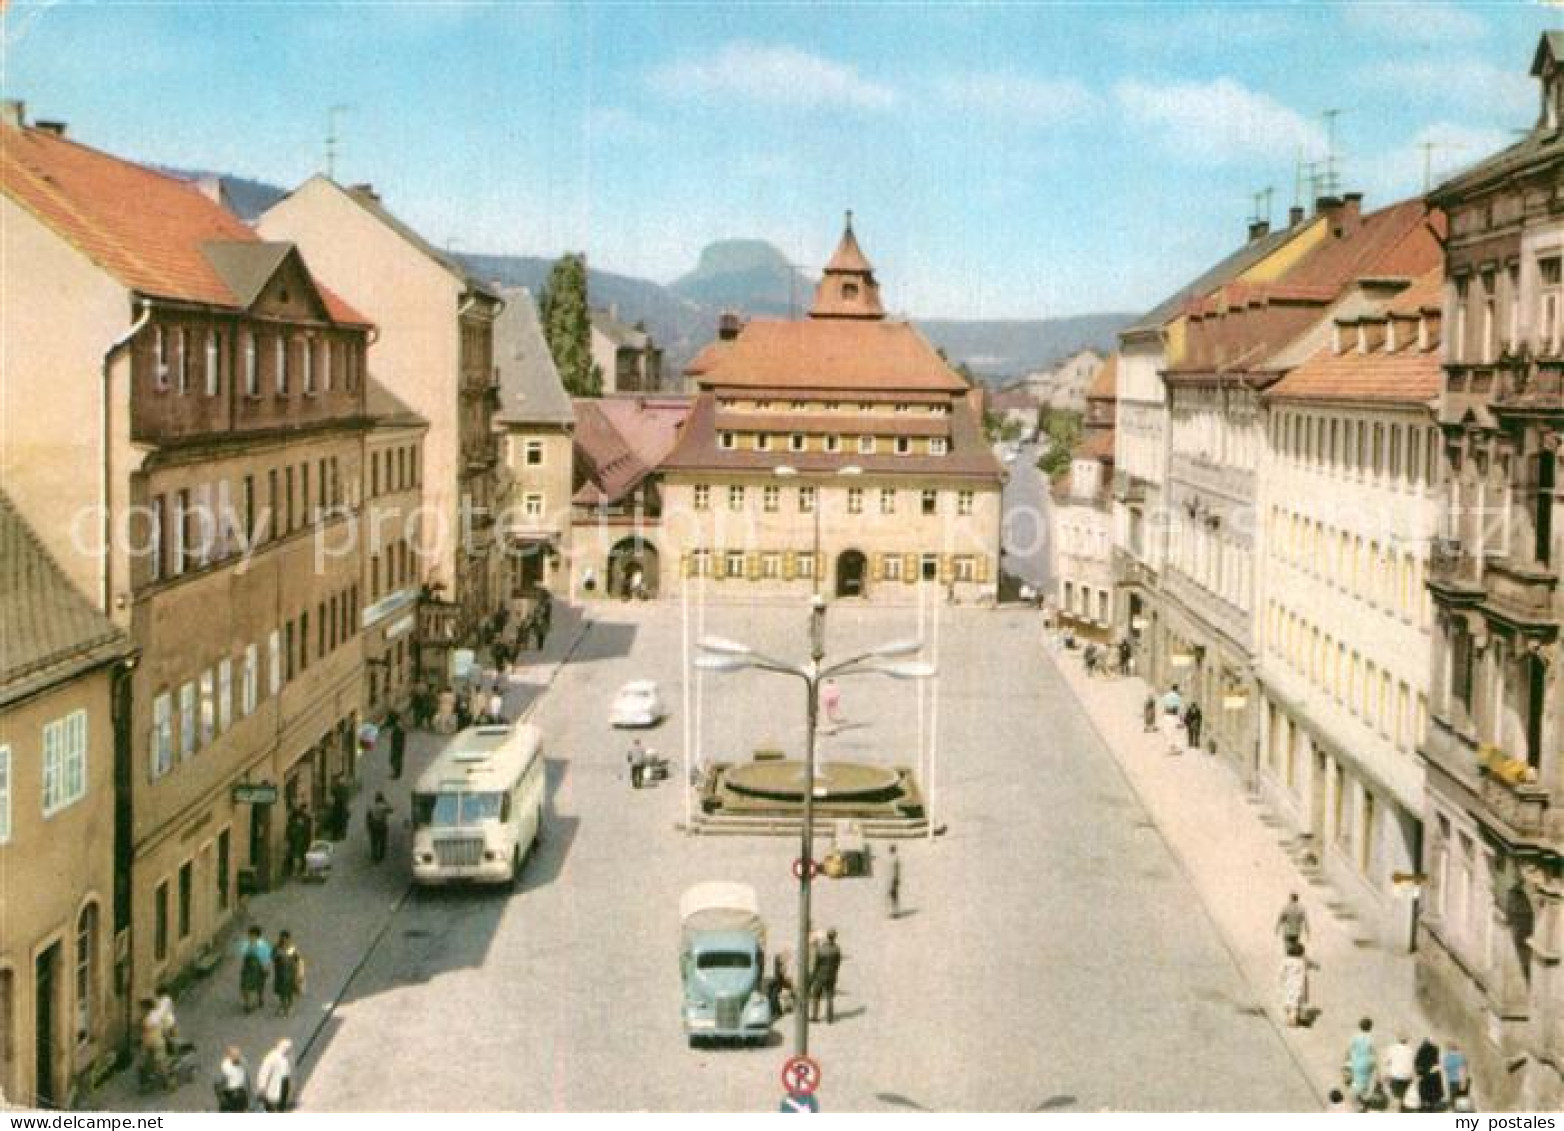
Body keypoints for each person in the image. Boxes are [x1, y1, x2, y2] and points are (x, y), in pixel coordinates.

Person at [809, 929, 842, 1024]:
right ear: (834, 937)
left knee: (816, 996)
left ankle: (815, 1016)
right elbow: (837, 964)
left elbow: (816, 964)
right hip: (831, 976)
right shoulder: (837, 949)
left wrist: (813, 976)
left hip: (820, 976)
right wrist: (834, 973)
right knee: (830, 997)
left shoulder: (821, 949)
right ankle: (829, 1018)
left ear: (827, 936)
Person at [1347, 1017, 1378, 1109]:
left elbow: (1349, 1049)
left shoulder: (1355, 1037)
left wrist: (1347, 1061)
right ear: (1370, 1027)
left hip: (1355, 1063)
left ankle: (1356, 1099)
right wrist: (1377, 1068)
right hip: (1366, 1064)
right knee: (1365, 1083)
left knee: (1356, 1080)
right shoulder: (1371, 1039)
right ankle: (1362, 1100)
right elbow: (1374, 1054)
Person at [1279, 941, 1313, 1026]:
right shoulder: (1302, 962)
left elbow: (1281, 972)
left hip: (1289, 984)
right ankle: (1293, 1019)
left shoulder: (1286, 961)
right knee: (1296, 1003)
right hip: (1299, 985)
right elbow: (1305, 973)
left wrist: (1281, 981)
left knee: (1289, 1001)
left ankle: (1291, 1019)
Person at [239, 926, 272, 1012]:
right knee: (245, 986)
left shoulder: (263, 946)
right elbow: (243, 954)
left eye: (252, 935)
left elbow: (266, 958)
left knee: (259, 985)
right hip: (247, 969)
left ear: (257, 936)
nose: (250, 937)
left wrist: (266, 968)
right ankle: (248, 1004)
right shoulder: (246, 944)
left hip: (259, 969)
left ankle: (260, 998)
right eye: (249, 935)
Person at [272, 931, 305, 1017]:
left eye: (286, 938)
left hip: (290, 973)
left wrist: (300, 972)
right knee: (281, 992)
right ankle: (283, 1006)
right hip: (280, 973)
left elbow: (298, 959)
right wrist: (277, 955)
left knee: (290, 991)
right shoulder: (276, 948)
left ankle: (289, 1006)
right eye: (282, 938)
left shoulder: (292, 948)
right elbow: (272, 957)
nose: (284, 940)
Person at [255, 1039, 293, 1113]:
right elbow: (264, 1072)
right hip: (275, 1086)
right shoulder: (272, 1057)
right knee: (271, 1105)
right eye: (287, 1048)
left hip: (283, 1083)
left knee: (281, 1103)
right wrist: (262, 1087)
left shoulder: (284, 1057)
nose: (288, 1050)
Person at [1383, 1033, 1416, 1108]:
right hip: (1407, 1077)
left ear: (1398, 1039)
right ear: (1407, 1040)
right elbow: (1412, 1065)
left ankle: (1397, 1106)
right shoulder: (1411, 1050)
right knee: (1404, 1096)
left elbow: (1387, 1062)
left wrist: (1386, 1074)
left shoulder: (1392, 1048)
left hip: (1396, 1076)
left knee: (1396, 1096)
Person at [214, 1046, 250, 1113]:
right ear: (230, 1057)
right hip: (230, 1094)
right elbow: (217, 1084)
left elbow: (246, 1076)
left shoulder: (243, 1061)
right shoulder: (225, 1067)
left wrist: (249, 1093)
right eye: (235, 1057)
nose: (238, 1059)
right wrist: (222, 1099)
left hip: (241, 1092)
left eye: (238, 1056)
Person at [1416, 1037, 1446, 1112]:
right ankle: (1432, 1107)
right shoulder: (1435, 1049)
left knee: (1426, 1092)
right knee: (1434, 1092)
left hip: (1425, 1074)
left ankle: (1427, 1107)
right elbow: (1436, 1061)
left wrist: (1419, 1073)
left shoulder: (1421, 1050)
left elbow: (1417, 1063)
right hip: (1434, 1073)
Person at [366, 791, 394, 863]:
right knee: (382, 841)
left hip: (373, 826)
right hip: (381, 825)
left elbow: (368, 817)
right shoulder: (384, 806)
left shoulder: (371, 806)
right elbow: (391, 810)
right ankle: (381, 856)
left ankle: (375, 857)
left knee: (374, 842)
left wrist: (368, 826)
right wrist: (386, 802)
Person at [285, 807, 312, 878]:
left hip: (300, 842)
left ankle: (298, 871)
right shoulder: (296, 822)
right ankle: (298, 871)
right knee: (297, 856)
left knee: (299, 856)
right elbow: (289, 832)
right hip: (298, 842)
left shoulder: (304, 820)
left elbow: (307, 832)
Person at [1160, 684, 1185, 755]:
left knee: (1168, 732)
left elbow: (1163, 704)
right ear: (1176, 689)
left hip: (1166, 715)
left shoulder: (1166, 695)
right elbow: (1180, 708)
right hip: (1174, 716)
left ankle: (1170, 748)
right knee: (1175, 732)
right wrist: (1182, 719)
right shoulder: (1177, 697)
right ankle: (1176, 748)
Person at [328, 777, 351, 842]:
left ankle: (338, 835)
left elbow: (332, 792)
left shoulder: (341, 788)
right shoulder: (343, 788)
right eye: (341, 780)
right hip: (340, 806)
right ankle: (339, 835)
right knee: (341, 821)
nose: (341, 781)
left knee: (340, 821)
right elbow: (332, 793)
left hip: (340, 806)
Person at [884, 845, 902, 919]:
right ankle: (894, 912)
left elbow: (895, 870)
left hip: (893, 879)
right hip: (892, 879)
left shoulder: (894, 859)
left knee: (893, 896)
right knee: (893, 896)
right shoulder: (893, 859)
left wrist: (896, 879)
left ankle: (894, 912)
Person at [387, 712, 406, 780]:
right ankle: (397, 773)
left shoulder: (398, 727)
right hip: (397, 745)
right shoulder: (398, 726)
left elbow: (399, 737)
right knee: (394, 759)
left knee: (395, 759)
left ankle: (397, 774)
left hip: (397, 746)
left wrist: (395, 742)